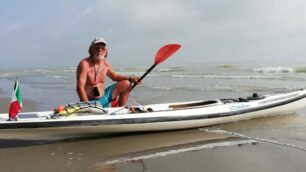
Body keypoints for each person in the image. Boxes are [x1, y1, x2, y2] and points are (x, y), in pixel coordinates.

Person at [76, 37, 140, 107]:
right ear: (91, 50)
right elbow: (80, 87)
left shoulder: (105, 64)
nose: (100, 50)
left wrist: (130, 78)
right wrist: (87, 106)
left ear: (106, 51)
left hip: (104, 98)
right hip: (91, 102)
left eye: (102, 48)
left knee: (127, 83)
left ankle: (120, 109)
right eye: (97, 48)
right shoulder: (84, 64)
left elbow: (115, 77)